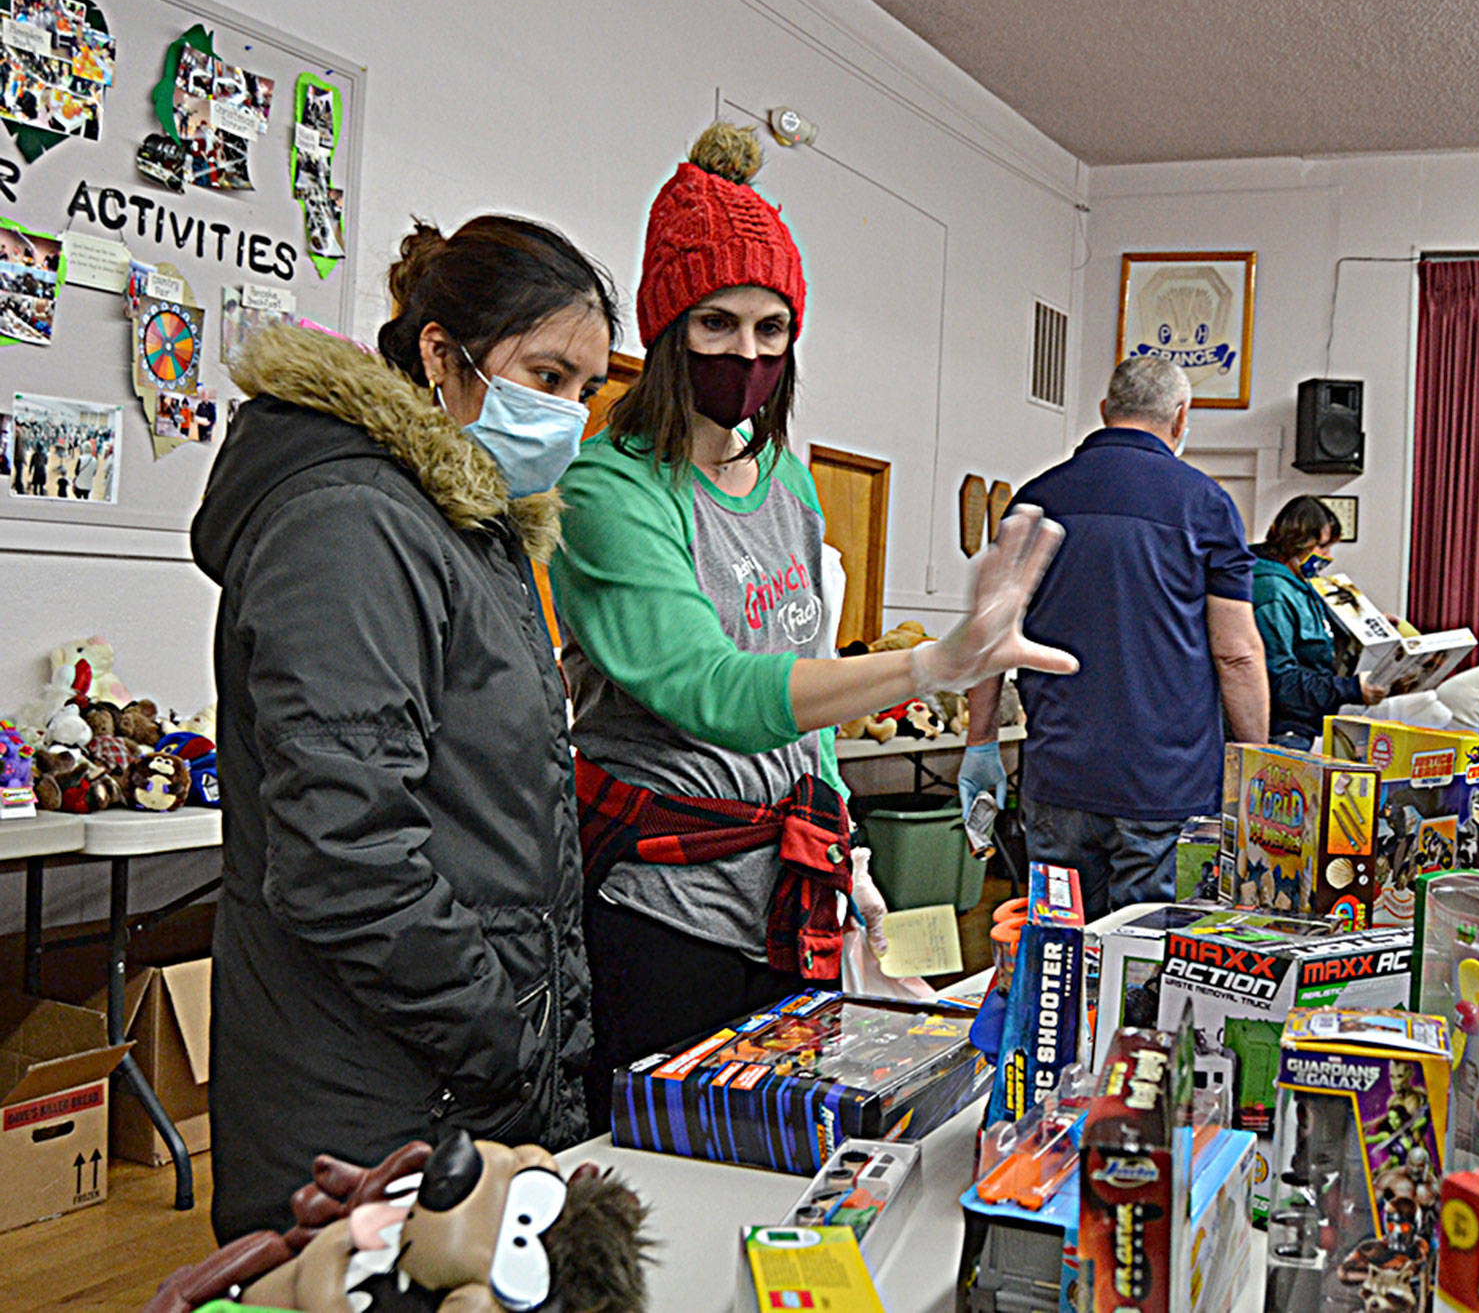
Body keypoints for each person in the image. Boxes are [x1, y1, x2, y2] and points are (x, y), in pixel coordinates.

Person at [548, 123, 1073, 1130]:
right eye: (714, 325)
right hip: (663, 911)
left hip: (790, 890)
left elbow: (803, 682)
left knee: (786, 1147)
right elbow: (713, 690)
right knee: (675, 1155)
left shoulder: (787, 482)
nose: (745, 354)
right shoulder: (611, 492)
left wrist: (849, 848)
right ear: (666, 334)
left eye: (769, 329)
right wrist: (934, 663)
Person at [191, 215, 617, 1241]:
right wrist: (503, 1037)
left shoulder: (463, 527)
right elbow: (345, 856)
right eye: (544, 375)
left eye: (582, 391)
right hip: (367, 1093)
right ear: (440, 352)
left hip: (441, 1075)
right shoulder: (352, 523)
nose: (564, 415)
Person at [961, 355, 1269, 921]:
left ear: (1105, 412)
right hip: (1166, 787)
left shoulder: (1034, 498)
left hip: (1058, 777)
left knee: (1061, 954)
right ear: (1181, 417)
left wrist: (980, 745)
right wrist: (1257, 762)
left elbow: (988, 638)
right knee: (1145, 969)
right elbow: (1237, 653)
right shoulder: (1205, 505)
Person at [1249, 495, 1386, 749]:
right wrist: (1352, 689)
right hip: (1282, 729)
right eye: (1322, 546)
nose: (1327, 556)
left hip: (1307, 721)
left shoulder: (1301, 581)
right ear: (1299, 541)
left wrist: (1370, 624)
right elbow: (1280, 681)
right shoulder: (1271, 592)